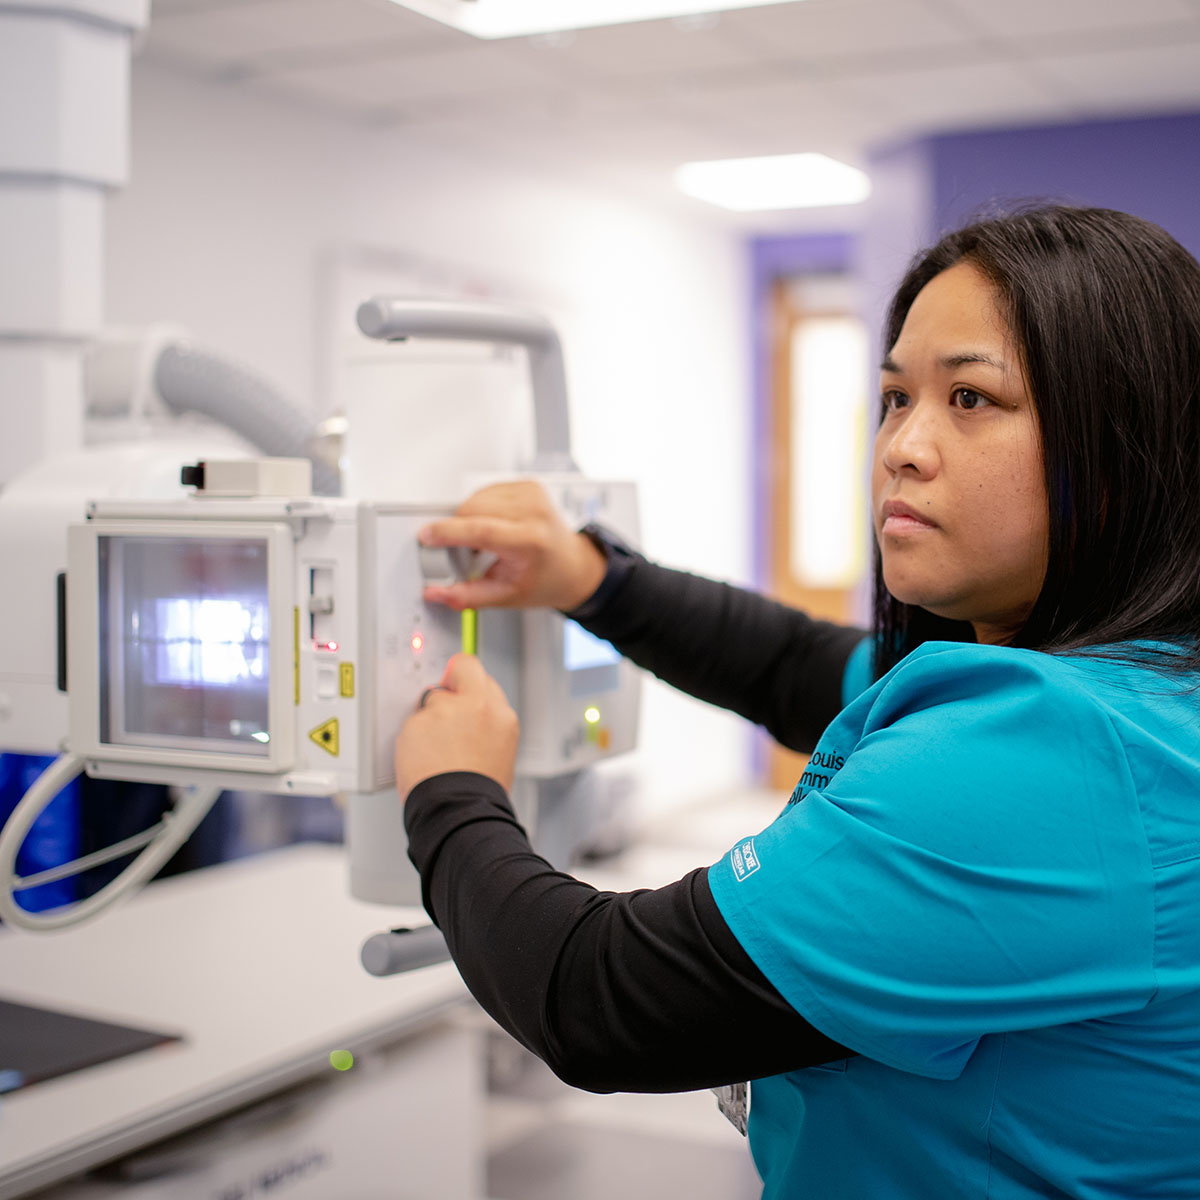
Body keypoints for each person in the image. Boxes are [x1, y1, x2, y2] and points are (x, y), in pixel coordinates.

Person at [394, 205, 1200, 1198]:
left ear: (1122, 448)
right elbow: (793, 668)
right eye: (897, 398)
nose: (904, 445)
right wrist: (591, 578)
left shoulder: (1053, 757)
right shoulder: (1140, 689)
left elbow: (592, 996)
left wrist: (451, 790)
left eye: (971, 398)